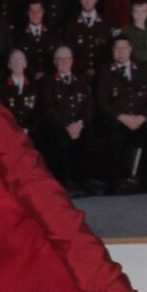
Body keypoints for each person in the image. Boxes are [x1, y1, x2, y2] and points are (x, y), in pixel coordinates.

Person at [96, 32, 147, 192]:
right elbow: (102, 101)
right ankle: (115, 182)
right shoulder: (105, 71)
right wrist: (121, 117)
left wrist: (142, 117)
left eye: (124, 48)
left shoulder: (142, 69)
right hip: (117, 120)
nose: (121, 52)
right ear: (112, 51)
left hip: (140, 119)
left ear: (130, 49)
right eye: (117, 48)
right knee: (113, 136)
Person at [39, 45, 97, 190]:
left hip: (78, 124)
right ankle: (65, 181)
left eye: (66, 59)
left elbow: (88, 105)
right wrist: (67, 125)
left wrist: (80, 124)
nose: (63, 62)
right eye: (59, 59)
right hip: (59, 124)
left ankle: (85, 180)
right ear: (55, 62)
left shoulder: (81, 80)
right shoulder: (48, 81)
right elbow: (48, 108)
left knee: (90, 136)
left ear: (72, 61)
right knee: (60, 139)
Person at [68, 0, 113, 82]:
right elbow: (70, 50)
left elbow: (108, 50)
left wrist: (99, 69)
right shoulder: (72, 24)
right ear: (80, 1)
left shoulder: (105, 22)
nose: (87, 1)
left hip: (101, 73)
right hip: (79, 73)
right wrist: (83, 69)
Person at [0, 47, 40, 140]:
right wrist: (13, 129)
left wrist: (27, 129)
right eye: (14, 60)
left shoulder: (33, 86)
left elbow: (36, 111)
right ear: (9, 65)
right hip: (9, 132)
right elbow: (1, 111)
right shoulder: (2, 87)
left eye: (20, 59)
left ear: (25, 64)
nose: (17, 63)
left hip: (30, 134)